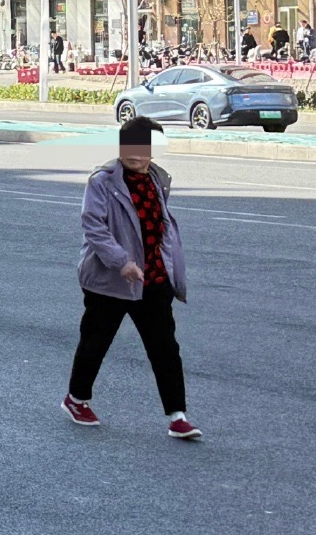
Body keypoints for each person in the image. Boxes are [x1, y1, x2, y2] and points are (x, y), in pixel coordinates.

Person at [63, 116, 200, 440]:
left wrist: (169, 270)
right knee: (96, 342)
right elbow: (94, 227)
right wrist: (121, 262)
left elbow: (162, 228)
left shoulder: (157, 179)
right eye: (131, 146)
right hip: (110, 280)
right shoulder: (103, 181)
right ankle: (76, 398)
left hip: (152, 279)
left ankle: (178, 416)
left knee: (165, 348)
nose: (136, 154)